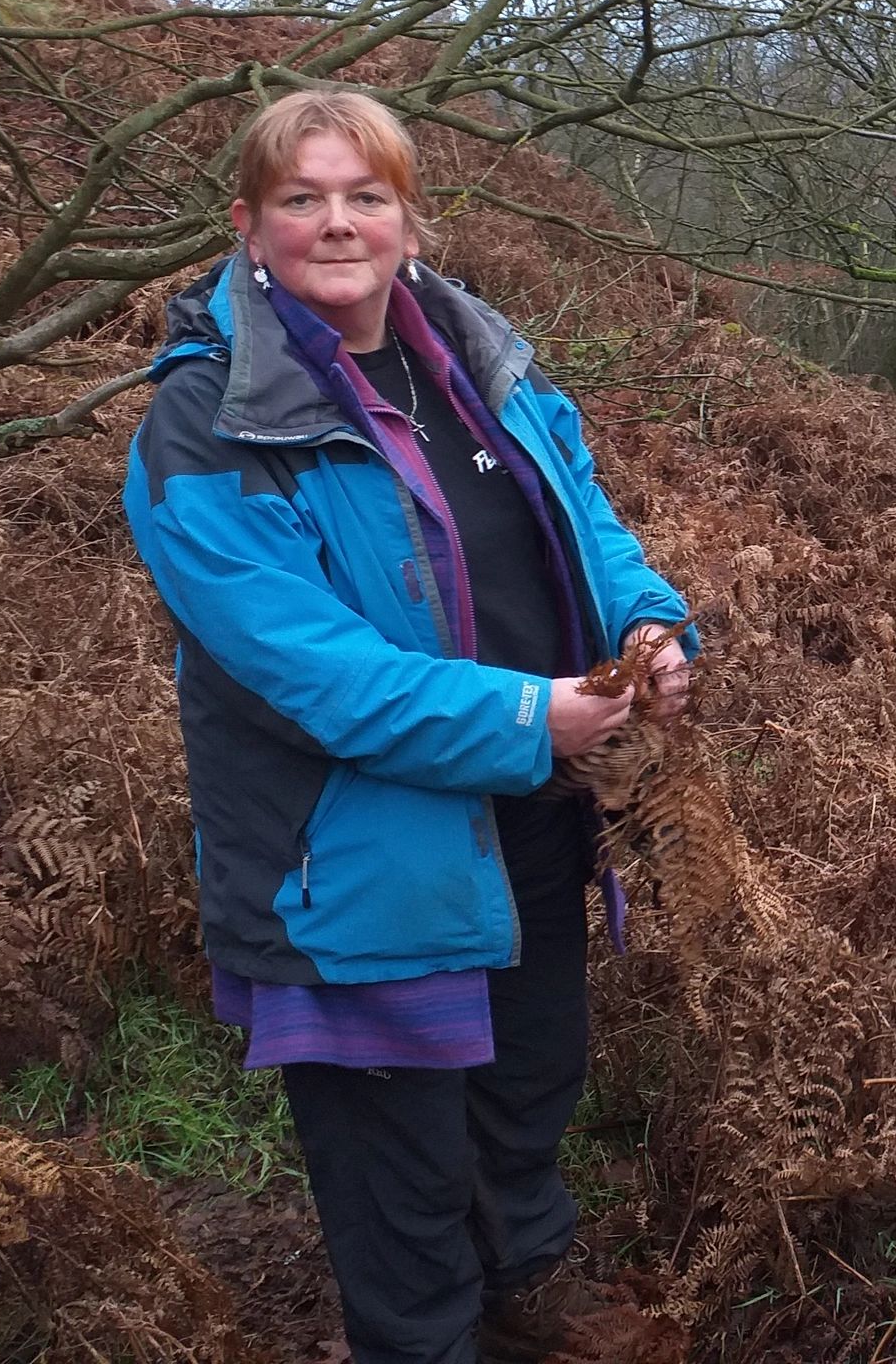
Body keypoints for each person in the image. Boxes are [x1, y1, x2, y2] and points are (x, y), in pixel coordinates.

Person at [122, 87, 691, 1364]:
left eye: (365, 196)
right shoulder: (205, 428)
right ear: (248, 226)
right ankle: (425, 1343)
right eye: (302, 199)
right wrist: (529, 716)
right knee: (397, 1158)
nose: (338, 224)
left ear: (409, 221)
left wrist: (654, 626)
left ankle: (529, 1287)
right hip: (351, 858)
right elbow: (312, 673)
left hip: (533, 814)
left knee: (529, 1083)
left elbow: (584, 523)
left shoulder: (483, 361)